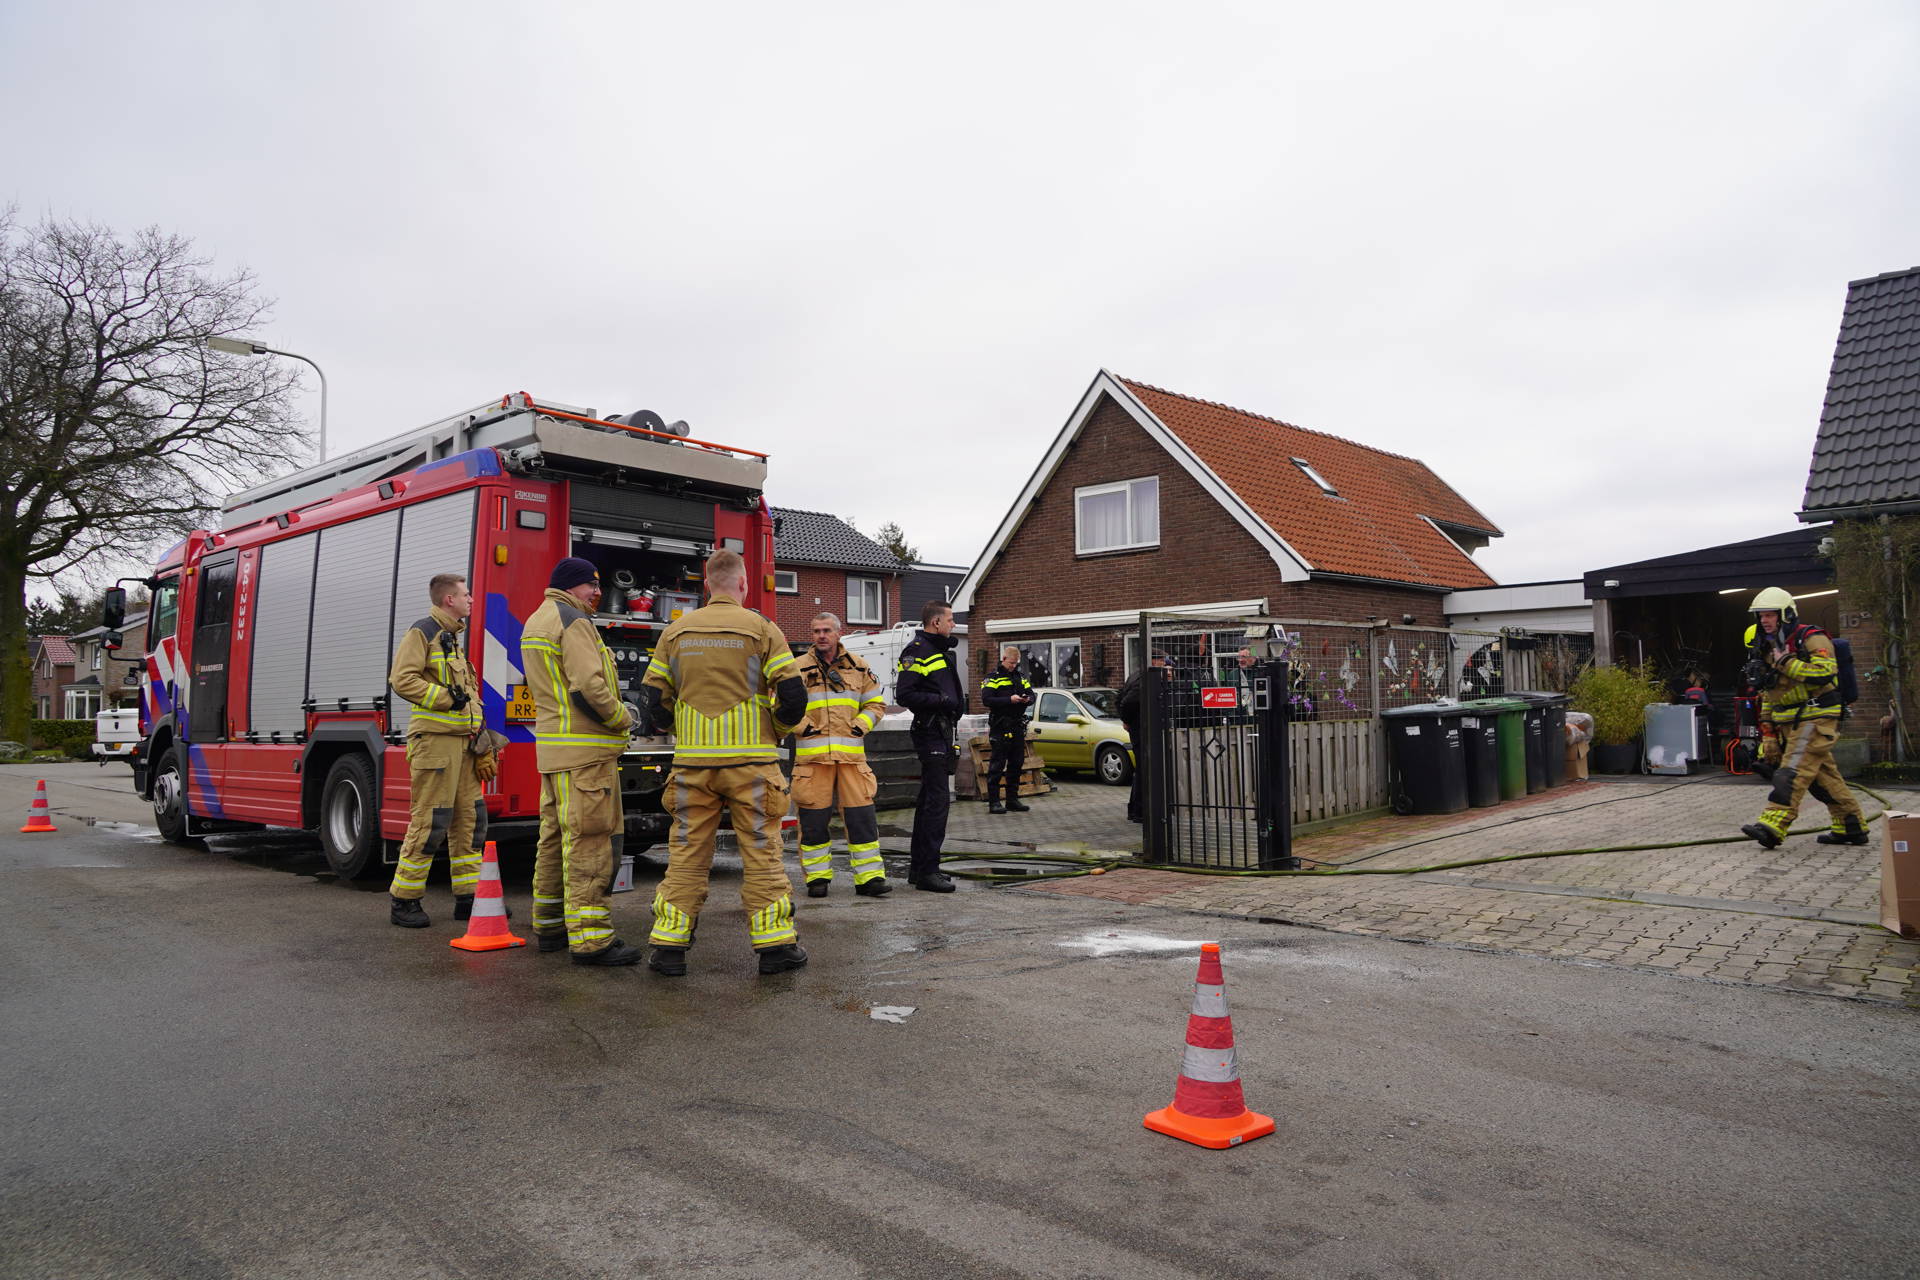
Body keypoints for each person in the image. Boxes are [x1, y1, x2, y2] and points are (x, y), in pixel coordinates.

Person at [640, 549, 809, 975]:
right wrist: (775, 730)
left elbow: (652, 701)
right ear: (744, 583)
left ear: (706, 586)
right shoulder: (762, 628)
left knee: (686, 855)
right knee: (761, 852)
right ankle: (775, 949)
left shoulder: (675, 632)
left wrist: (682, 728)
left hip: (692, 767)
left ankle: (669, 948)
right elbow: (793, 696)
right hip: (752, 765)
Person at [523, 557, 638, 965]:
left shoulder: (538, 620)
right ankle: (592, 939)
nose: (597, 593)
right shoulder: (573, 621)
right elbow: (588, 686)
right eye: (592, 585)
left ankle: (550, 925)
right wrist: (623, 718)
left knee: (555, 840)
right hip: (586, 755)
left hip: (556, 752)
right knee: (591, 842)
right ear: (572, 585)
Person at [386, 573, 494, 928]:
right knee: (431, 820)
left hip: (463, 743)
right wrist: (446, 699)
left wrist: (482, 738)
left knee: (470, 820)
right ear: (449, 599)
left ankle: (469, 898)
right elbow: (402, 679)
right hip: (435, 743)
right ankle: (405, 900)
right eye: (466, 594)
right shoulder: (424, 631)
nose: (471, 599)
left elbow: (468, 693)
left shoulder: (452, 637)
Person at [1739, 587, 1866, 849]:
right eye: (1761, 615)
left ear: (1785, 614)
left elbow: (1825, 672)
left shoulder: (1811, 638)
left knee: (1792, 771)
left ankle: (1772, 825)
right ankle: (1850, 826)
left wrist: (1786, 662)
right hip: (1789, 722)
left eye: (1770, 615)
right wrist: (1769, 733)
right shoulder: (1768, 647)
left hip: (1815, 717)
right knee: (1823, 780)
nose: (1764, 620)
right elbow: (1769, 693)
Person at [791, 611, 891, 898]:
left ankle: (870, 879)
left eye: (826, 630)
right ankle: (817, 879)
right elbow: (780, 705)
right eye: (816, 631)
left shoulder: (859, 667)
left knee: (862, 820)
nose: (821, 635)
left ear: (838, 633)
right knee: (813, 823)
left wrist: (861, 725)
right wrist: (803, 727)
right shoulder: (796, 668)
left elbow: (875, 704)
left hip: (851, 762)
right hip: (813, 762)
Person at [895, 600, 966, 892]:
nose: (953, 624)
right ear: (936, 622)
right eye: (950, 620)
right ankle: (928, 872)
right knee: (937, 804)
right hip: (930, 732)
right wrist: (941, 701)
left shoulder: (937, 650)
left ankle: (919, 869)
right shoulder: (917, 651)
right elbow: (904, 694)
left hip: (942, 731)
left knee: (929, 802)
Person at [980, 644, 1034, 814]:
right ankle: (994, 802)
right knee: (997, 764)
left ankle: (1012, 800)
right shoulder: (992, 678)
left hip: (1017, 725)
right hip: (1000, 726)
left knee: (1016, 763)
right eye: (1011, 663)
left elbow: (1032, 694)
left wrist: (1027, 699)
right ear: (1003, 659)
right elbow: (987, 699)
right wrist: (1009, 700)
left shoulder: (1020, 677)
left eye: (1016, 663)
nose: (1013, 666)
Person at [1117, 650, 1170, 823]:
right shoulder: (1144, 678)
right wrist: (1127, 720)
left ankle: (1134, 809)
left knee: (1141, 770)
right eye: (1162, 660)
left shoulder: (1135, 675)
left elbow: (1119, 697)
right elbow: (1127, 701)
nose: (1164, 663)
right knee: (1145, 770)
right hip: (1142, 728)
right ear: (1153, 661)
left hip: (1138, 727)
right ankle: (1139, 811)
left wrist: (1125, 720)